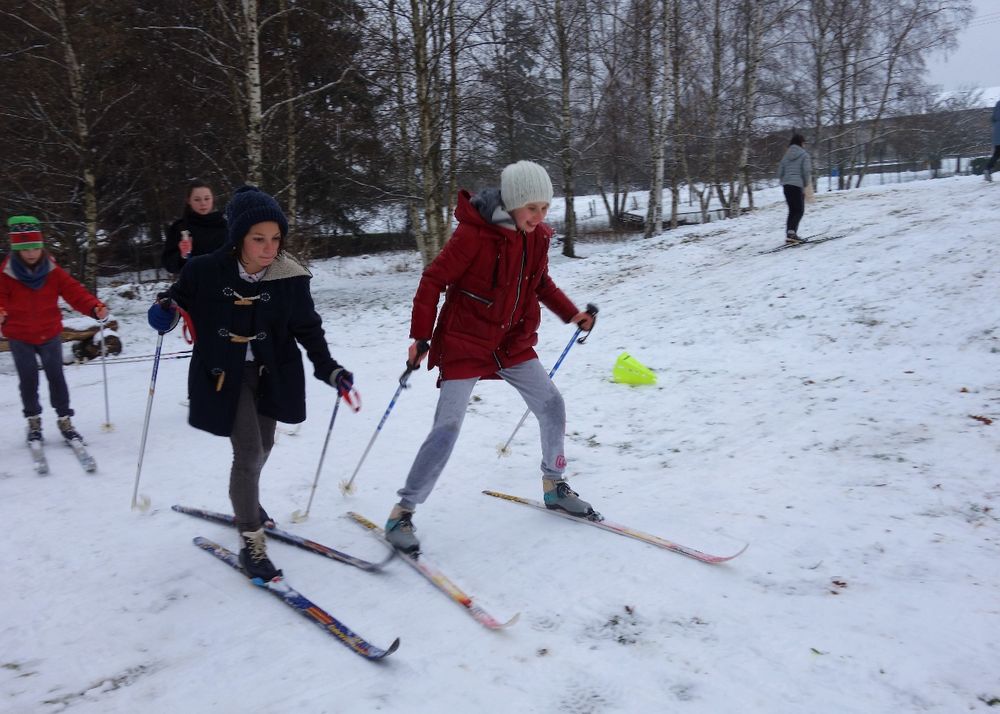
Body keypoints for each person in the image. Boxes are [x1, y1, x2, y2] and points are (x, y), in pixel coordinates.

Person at [383, 160, 597, 555]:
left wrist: (572, 315)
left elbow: (541, 283)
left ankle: (555, 484)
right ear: (513, 202)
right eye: (532, 207)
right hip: (465, 341)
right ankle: (403, 511)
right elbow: (433, 280)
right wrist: (420, 336)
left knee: (552, 404)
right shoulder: (472, 236)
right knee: (446, 429)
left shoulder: (538, 238)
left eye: (545, 208)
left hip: (511, 341)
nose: (539, 216)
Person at [147, 186, 355, 583]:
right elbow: (174, 304)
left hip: (272, 371)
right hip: (224, 373)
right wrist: (164, 312)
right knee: (248, 450)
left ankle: (248, 500)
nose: (269, 248)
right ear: (239, 237)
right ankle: (251, 542)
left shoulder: (288, 275)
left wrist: (330, 369)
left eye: (276, 238)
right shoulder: (205, 270)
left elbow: (307, 327)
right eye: (258, 238)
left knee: (265, 446)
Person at [0, 216, 109, 445]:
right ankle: (33, 420)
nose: (31, 253)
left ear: (42, 246)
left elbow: (74, 292)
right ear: (16, 249)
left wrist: (93, 307)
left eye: (35, 247)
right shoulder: (6, 273)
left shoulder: (52, 271)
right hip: (20, 336)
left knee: (56, 377)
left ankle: (64, 418)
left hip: (49, 333)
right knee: (28, 378)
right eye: (25, 248)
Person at [161, 180, 228, 274]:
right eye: (197, 199)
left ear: (213, 198)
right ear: (189, 201)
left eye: (207, 198)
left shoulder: (226, 225)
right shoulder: (180, 228)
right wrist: (182, 255)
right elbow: (169, 265)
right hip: (195, 285)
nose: (203, 203)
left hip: (227, 284)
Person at [777, 134, 812, 244]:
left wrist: (785, 181)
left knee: (792, 210)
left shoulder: (786, 156)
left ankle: (789, 235)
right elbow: (806, 172)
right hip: (797, 186)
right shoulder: (804, 155)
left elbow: (780, 172)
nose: (804, 145)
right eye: (804, 143)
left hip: (787, 186)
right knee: (799, 210)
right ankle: (792, 234)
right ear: (801, 143)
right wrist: (805, 184)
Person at [985, 99, 1000, 182]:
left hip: (997, 133)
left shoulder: (998, 103)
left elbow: (992, 119)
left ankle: (988, 169)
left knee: (997, 153)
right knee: (997, 153)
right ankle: (988, 169)